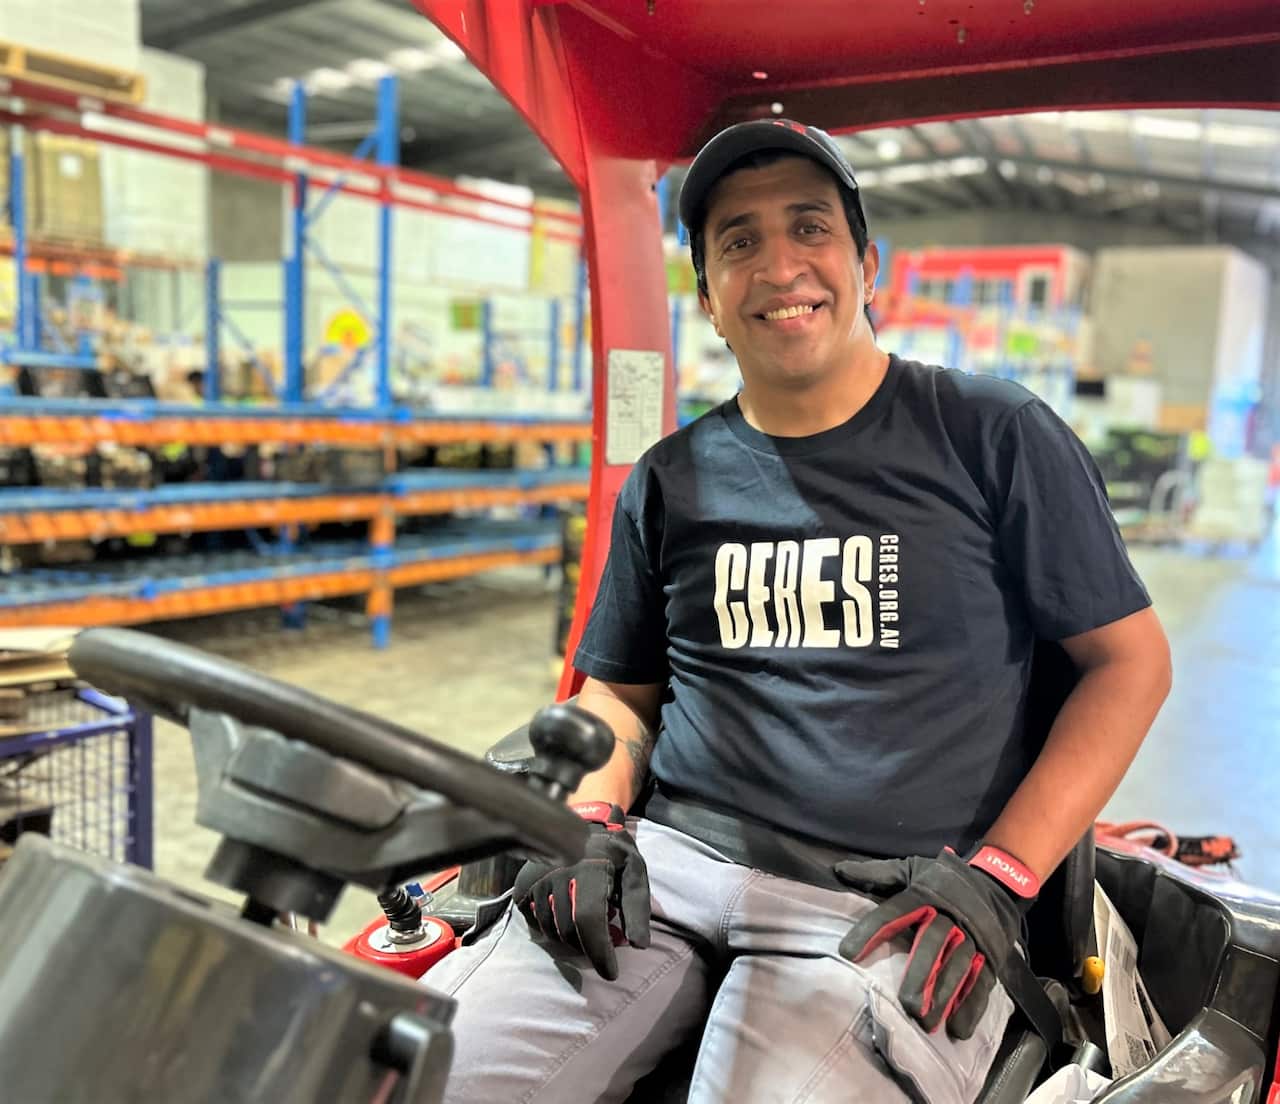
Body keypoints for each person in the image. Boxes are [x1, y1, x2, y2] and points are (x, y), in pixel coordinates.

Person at [424, 119, 1172, 1104]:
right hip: (669, 868)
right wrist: (591, 819)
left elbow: (1128, 665)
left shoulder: (990, 435)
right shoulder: (669, 480)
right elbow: (618, 692)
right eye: (737, 241)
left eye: (808, 229)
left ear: (867, 266)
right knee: (419, 1069)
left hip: (890, 903)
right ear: (707, 296)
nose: (778, 265)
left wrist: (1001, 873)